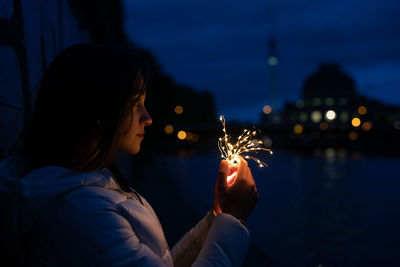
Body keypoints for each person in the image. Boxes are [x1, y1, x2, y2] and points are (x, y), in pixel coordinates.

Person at [0, 43, 259, 266]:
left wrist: (217, 217)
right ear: (98, 111)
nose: (148, 118)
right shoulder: (83, 214)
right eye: (136, 104)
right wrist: (232, 220)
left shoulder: (91, 184)